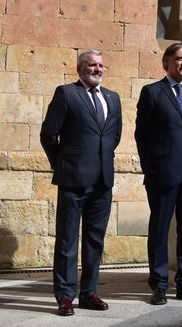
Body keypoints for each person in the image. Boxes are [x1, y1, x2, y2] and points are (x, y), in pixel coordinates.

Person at [39, 49, 123, 316]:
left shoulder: (113, 98)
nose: (97, 69)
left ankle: (89, 292)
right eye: (91, 65)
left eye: (100, 65)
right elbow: (48, 134)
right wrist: (63, 163)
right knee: (67, 240)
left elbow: (114, 136)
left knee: (94, 241)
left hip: (102, 181)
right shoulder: (66, 94)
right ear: (79, 69)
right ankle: (65, 296)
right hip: (73, 179)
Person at [135, 42, 182, 305]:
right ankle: (159, 284)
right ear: (166, 62)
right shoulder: (152, 92)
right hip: (162, 173)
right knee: (160, 229)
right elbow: (141, 135)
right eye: (178, 58)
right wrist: (151, 167)